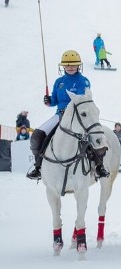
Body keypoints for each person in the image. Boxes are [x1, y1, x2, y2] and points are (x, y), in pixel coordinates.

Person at [27, 50, 110, 180]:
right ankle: (38, 167)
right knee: (37, 136)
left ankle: (99, 166)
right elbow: (55, 100)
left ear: (78, 66)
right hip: (59, 115)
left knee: (93, 136)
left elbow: (80, 100)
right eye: (67, 65)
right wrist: (49, 101)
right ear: (63, 66)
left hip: (77, 116)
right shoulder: (58, 81)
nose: (70, 67)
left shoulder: (84, 81)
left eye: (74, 65)